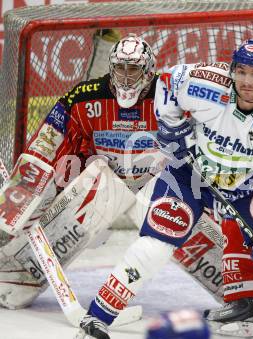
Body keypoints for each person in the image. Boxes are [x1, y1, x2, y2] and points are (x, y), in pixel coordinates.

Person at [76, 39, 253, 339]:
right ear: (232, 70)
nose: (248, 81)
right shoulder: (207, 82)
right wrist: (170, 125)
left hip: (245, 185)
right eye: (242, 72)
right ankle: (97, 317)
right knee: (155, 245)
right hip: (189, 173)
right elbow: (168, 83)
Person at [0, 33, 161, 309]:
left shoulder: (171, 98)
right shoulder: (84, 97)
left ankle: (240, 289)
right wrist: (26, 190)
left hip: (155, 183)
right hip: (104, 183)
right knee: (88, 181)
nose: (125, 77)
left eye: (133, 68)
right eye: (120, 68)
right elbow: (47, 143)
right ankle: (15, 276)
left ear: (148, 71)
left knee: (182, 218)